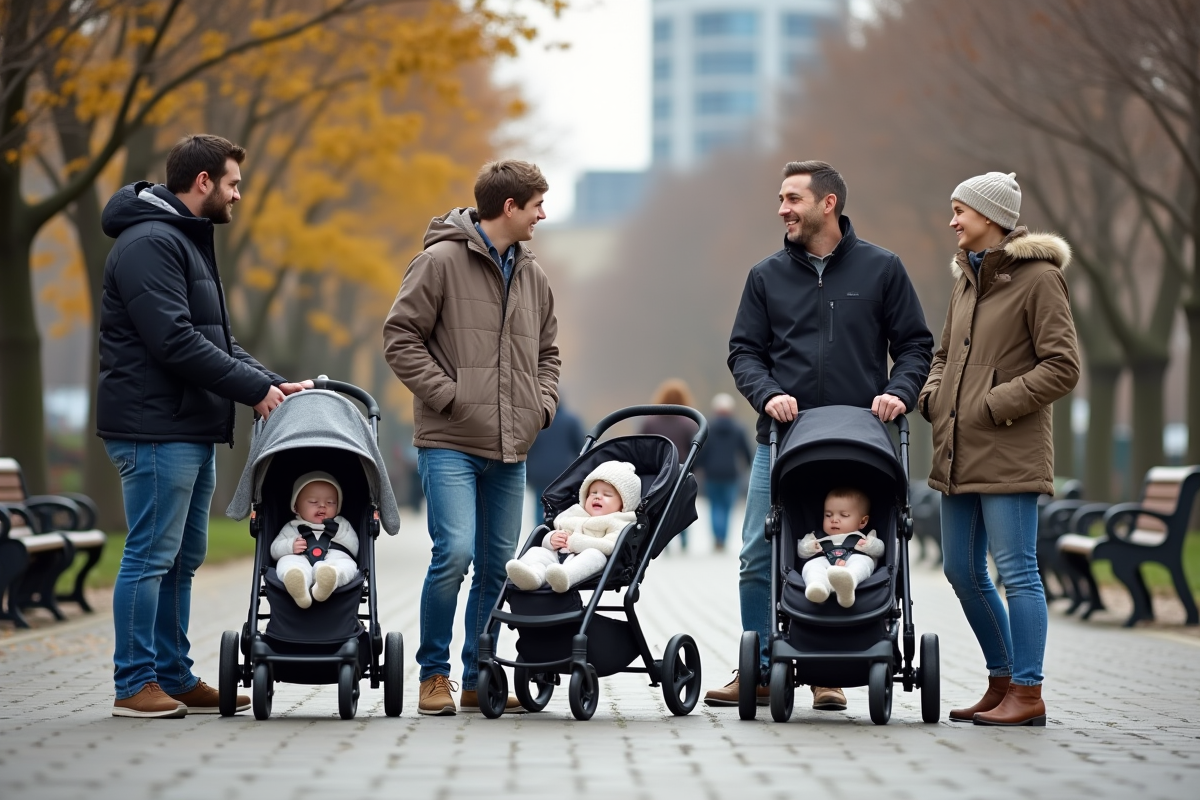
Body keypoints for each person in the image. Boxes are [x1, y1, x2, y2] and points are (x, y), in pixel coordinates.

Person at [705, 160, 934, 712]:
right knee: (760, 558)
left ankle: (827, 673)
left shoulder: (882, 269)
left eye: (792, 199)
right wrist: (767, 394)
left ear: (827, 203)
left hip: (863, 442)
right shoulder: (765, 276)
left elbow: (915, 346)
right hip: (784, 440)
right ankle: (758, 668)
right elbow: (744, 352)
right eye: (781, 199)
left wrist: (900, 391)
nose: (782, 209)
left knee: (852, 557)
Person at [99, 134, 312, 718]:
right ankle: (133, 683)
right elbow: (173, 341)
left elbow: (217, 340)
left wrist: (272, 382)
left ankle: (172, 674)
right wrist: (253, 391)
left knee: (182, 556)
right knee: (149, 555)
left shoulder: (184, 241)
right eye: (233, 183)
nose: (237, 195)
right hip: (154, 428)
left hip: (187, 426)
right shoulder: (150, 243)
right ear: (202, 182)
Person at [383, 159, 560, 716]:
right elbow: (400, 337)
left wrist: (541, 406)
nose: (542, 215)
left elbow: (548, 354)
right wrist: (451, 397)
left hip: (512, 446)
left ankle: (478, 673)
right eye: (536, 205)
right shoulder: (438, 262)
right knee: (453, 555)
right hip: (451, 442)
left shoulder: (533, 274)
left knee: (497, 566)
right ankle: (433, 674)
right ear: (509, 207)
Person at [919, 172, 1079, 726]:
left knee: (1018, 571)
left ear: (990, 217)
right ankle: (1001, 679)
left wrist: (991, 403)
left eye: (960, 210)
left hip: (1010, 451)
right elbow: (943, 354)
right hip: (957, 452)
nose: (952, 220)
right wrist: (933, 396)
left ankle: (1028, 693)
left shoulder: (1038, 280)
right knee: (962, 570)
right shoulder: (965, 278)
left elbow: (1063, 366)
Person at [506, 461, 640, 593]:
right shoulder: (575, 513)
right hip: (557, 556)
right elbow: (558, 528)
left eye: (607, 495)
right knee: (537, 551)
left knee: (594, 555)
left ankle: (564, 577)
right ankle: (532, 576)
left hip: (585, 564)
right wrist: (551, 539)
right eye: (593, 493)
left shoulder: (618, 521)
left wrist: (576, 542)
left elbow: (610, 546)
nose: (598, 497)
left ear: (623, 505)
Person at [271, 472, 359, 609]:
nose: (323, 506)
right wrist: (290, 546)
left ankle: (329, 579)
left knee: (348, 565)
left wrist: (339, 534)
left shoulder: (341, 524)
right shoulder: (292, 527)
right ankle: (298, 585)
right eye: (313, 502)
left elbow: (354, 548)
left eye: (330, 502)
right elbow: (274, 549)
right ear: (296, 507)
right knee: (287, 562)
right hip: (301, 559)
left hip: (334, 559)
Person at [797, 487, 883, 608]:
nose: (834, 520)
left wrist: (869, 545)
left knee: (864, 562)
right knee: (811, 566)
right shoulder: (816, 536)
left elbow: (879, 550)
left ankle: (849, 583)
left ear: (862, 522)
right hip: (825, 563)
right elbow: (801, 551)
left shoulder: (864, 537)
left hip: (852, 560)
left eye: (844, 515)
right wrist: (809, 547)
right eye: (828, 515)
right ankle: (818, 587)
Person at [639, 379, 700, 550]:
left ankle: (660, 538)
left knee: (660, 503)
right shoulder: (689, 423)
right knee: (681, 504)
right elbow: (695, 447)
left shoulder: (650, 422)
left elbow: (642, 445)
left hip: (657, 468)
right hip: (681, 468)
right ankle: (683, 537)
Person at [697, 393, 753, 553]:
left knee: (715, 506)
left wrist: (696, 466)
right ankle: (723, 538)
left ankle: (717, 538)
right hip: (731, 473)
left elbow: (702, 451)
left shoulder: (708, 428)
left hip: (712, 473)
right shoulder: (738, 428)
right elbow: (746, 451)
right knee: (727, 507)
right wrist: (748, 466)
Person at [525, 394, 585, 526]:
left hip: (539, 474)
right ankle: (558, 534)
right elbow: (581, 448)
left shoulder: (535, 421)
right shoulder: (571, 420)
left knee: (540, 506)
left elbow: (527, 448)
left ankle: (540, 534)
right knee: (562, 506)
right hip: (563, 473)